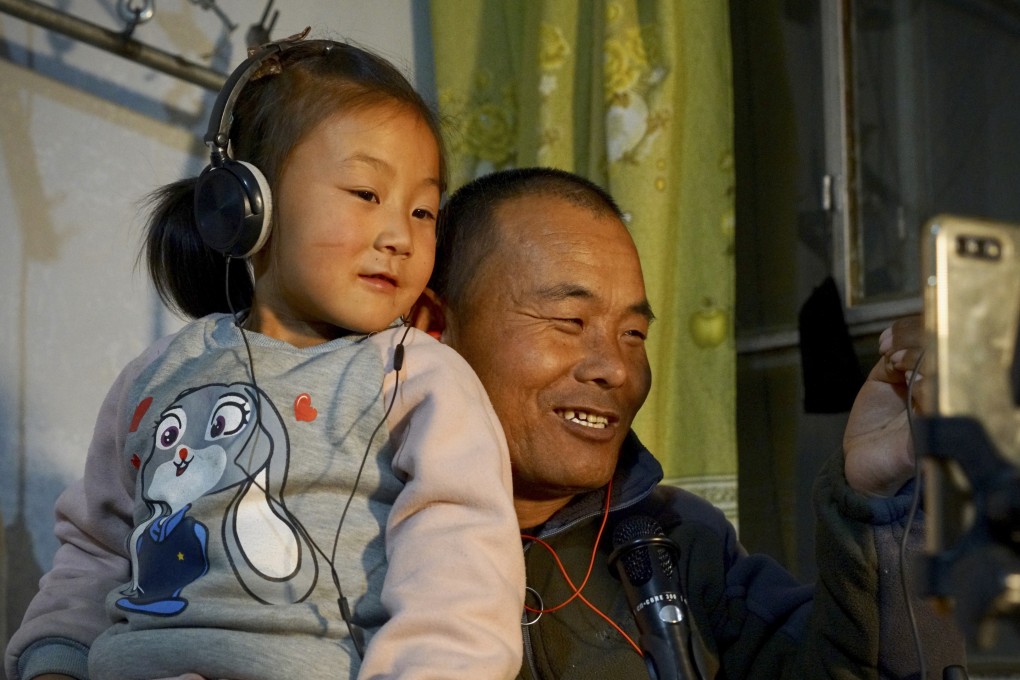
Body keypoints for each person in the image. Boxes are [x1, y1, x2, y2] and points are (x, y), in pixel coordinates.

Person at [4, 33, 525, 680]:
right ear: (247, 205)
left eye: (423, 210)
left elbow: (461, 579)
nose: (399, 235)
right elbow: (95, 553)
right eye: (367, 194)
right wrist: (52, 663)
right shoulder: (155, 377)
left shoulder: (421, 381)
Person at [418, 167, 965, 678]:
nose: (615, 368)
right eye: (570, 321)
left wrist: (877, 504)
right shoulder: (356, 533)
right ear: (434, 327)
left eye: (633, 333)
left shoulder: (677, 543)